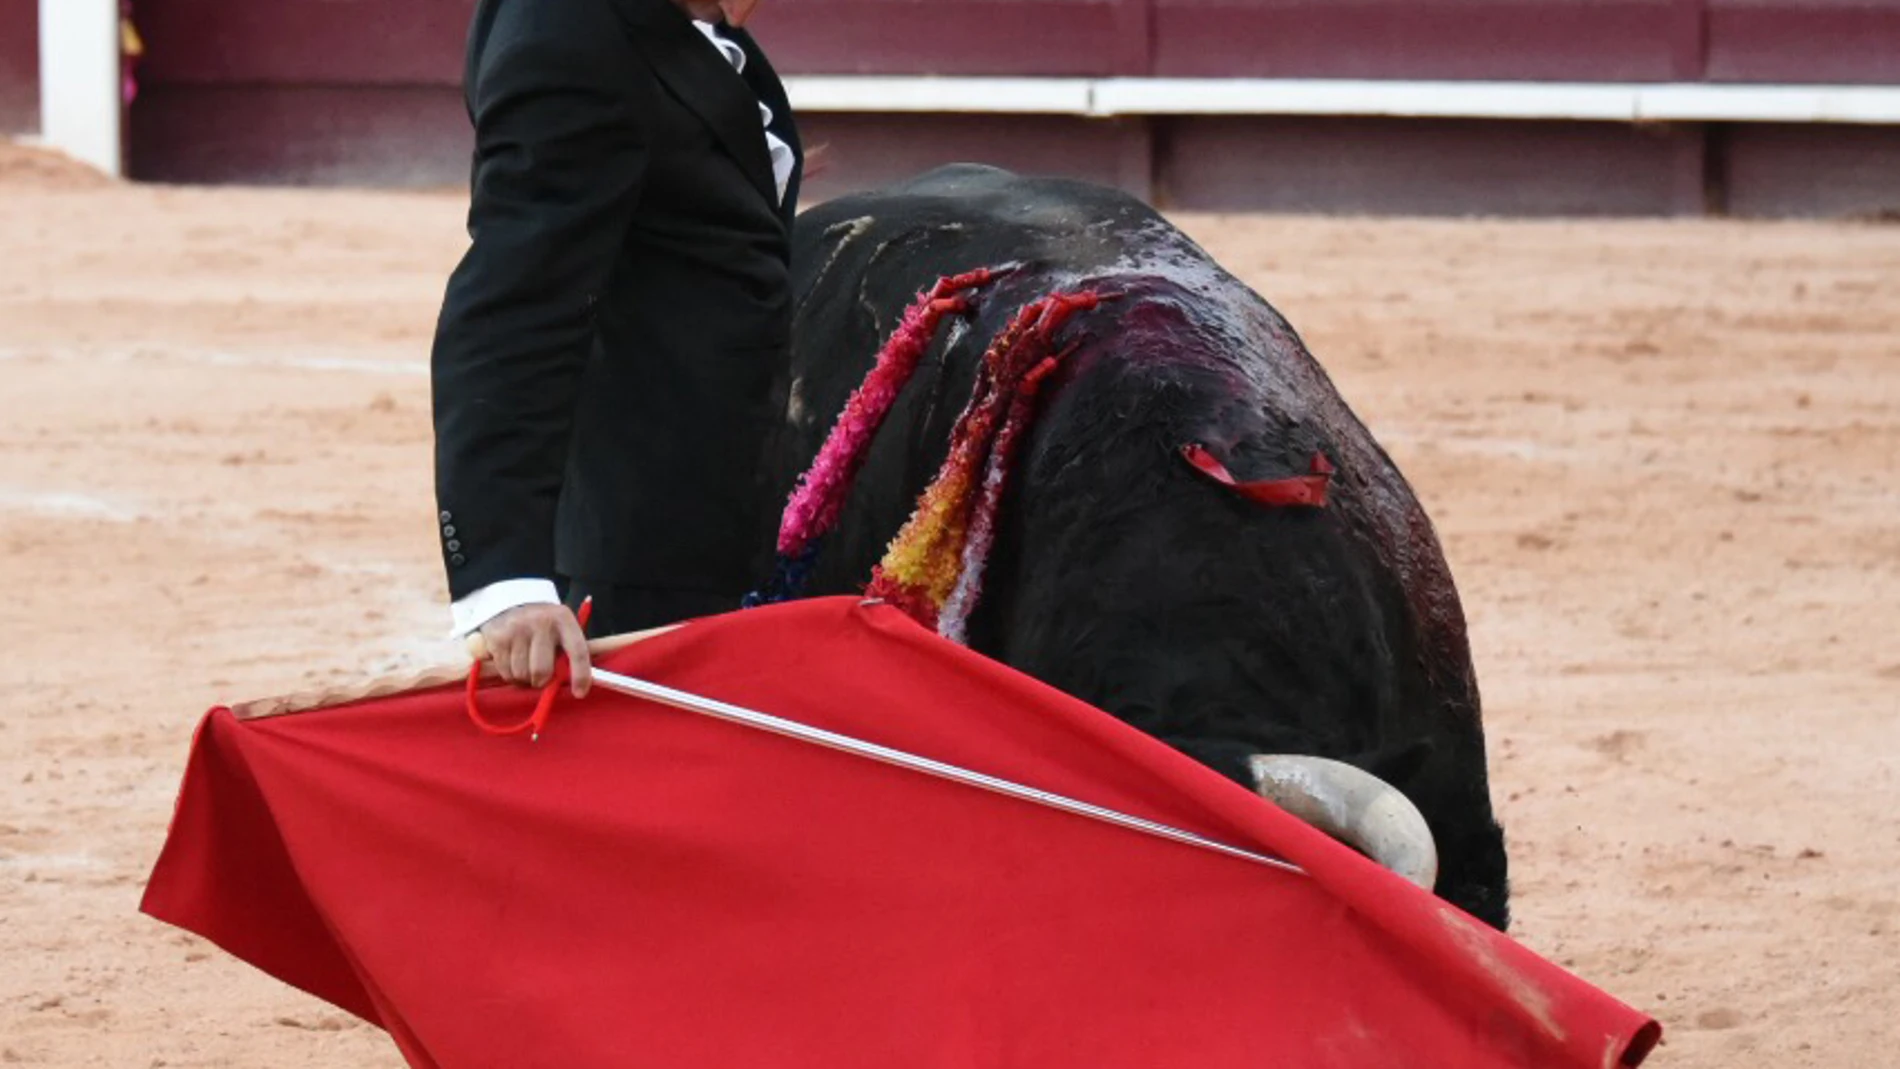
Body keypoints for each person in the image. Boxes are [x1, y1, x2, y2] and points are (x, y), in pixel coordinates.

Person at [431, 0, 801, 696]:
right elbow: (515, 304)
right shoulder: (570, 33)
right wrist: (503, 577)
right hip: (638, 537)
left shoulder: (656, 23)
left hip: (701, 503)